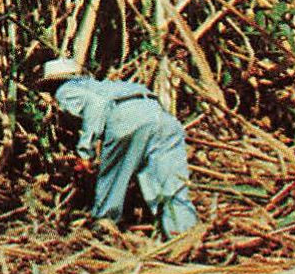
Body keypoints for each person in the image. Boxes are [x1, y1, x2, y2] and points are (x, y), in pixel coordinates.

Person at [34, 57, 198, 237]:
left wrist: (85, 153)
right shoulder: (110, 85)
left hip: (127, 118)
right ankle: (184, 233)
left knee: (112, 175)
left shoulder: (66, 89)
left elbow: (96, 105)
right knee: (171, 182)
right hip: (162, 118)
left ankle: (104, 225)